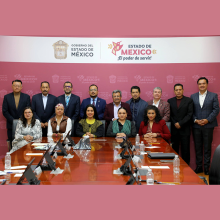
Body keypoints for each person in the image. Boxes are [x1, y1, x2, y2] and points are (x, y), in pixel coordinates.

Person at [190, 77, 219, 175]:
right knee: (198, 147)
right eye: (200, 84)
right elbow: (190, 111)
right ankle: (199, 167)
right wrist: (195, 120)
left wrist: (207, 120)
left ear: (207, 84)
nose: (202, 85)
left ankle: (207, 168)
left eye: (203, 83)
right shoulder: (192, 96)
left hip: (208, 125)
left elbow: (216, 110)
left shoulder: (213, 95)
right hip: (196, 125)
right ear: (197, 85)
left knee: (207, 147)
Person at [168, 84, 193, 165]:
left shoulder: (189, 100)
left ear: (183, 90)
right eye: (176, 90)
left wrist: (180, 123)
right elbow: (169, 114)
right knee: (174, 149)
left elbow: (189, 114)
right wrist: (175, 123)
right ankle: (174, 166)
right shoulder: (170, 101)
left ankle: (186, 167)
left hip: (184, 128)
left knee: (185, 149)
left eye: (180, 89)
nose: (178, 91)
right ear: (174, 91)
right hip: (174, 129)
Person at [2, 80, 31, 146]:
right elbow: (5, 111)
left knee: (23, 145)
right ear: (12, 86)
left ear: (21, 87)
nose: (16, 87)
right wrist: (13, 121)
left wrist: (22, 120)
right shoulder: (7, 97)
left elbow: (28, 110)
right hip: (11, 125)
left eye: (18, 86)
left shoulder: (26, 97)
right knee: (12, 143)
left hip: (24, 125)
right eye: (15, 86)